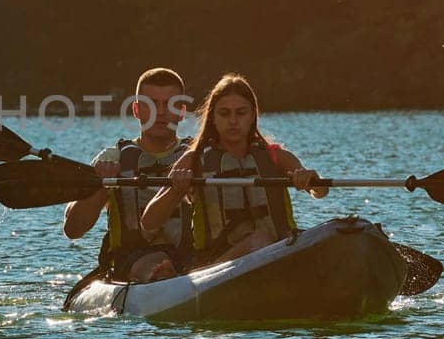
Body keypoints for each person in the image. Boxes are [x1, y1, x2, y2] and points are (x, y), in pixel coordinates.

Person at [141, 73, 327, 265]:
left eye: (241, 113)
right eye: (224, 113)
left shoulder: (276, 156)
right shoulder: (193, 160)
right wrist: (176, 190)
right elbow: (149, 222)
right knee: (259, 240)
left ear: (253, 115)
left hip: (277, 252)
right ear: (212, 117)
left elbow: (321, 191)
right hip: (216, 266)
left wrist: (310, 179)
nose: (232, 121)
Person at [63, 67, 193, 283]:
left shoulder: (196, 155)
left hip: (191, 259)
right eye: (150, 104)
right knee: (160, 263)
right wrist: (101, 185)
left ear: (181, 111)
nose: (160, 112)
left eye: (169, 104)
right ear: (136, 110)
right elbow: (73, 230)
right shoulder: (113, 158)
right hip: (131, 261)